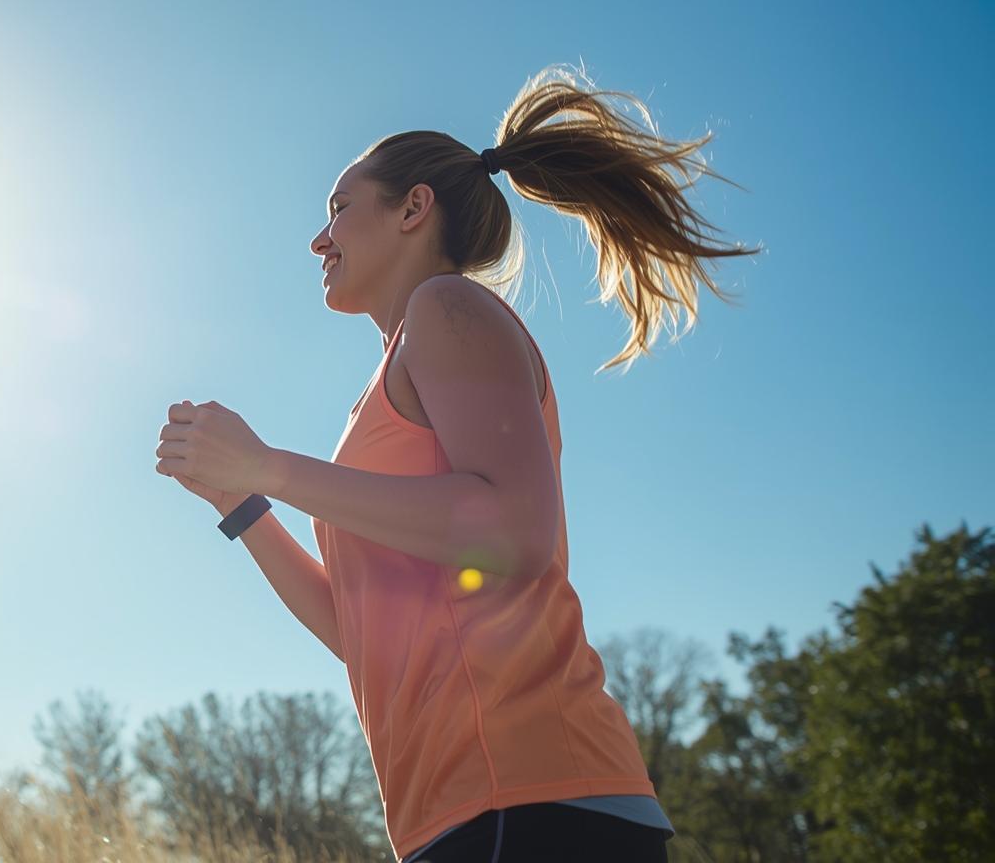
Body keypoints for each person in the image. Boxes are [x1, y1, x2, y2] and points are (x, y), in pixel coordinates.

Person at [153, 63, 760, 862]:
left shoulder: (447, 306)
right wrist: (243, 502)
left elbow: (513, 532)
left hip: (535, 799)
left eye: (339, 208)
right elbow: (358, 629)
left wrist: (270, 466)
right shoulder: (381, 390)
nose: (319, 237)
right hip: (462, 816)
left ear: (413, 208)